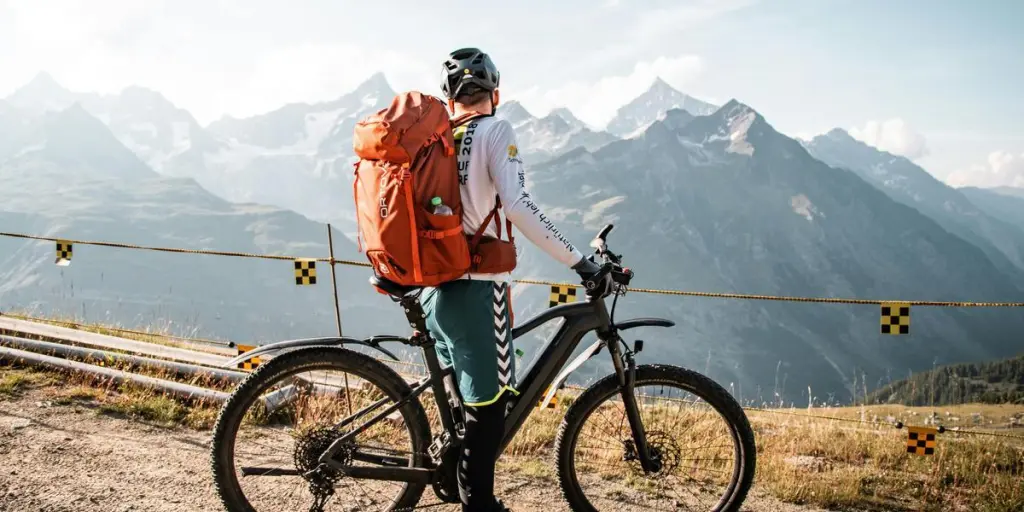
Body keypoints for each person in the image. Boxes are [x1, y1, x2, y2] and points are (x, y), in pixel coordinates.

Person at [421, 47, 610, 512]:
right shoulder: (495, 130)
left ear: (449, 98)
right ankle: (478, 504)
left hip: (434, 289)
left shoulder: (436, 138)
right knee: (489, 413)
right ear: (496, 94)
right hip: (476, 289)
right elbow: (519, 206)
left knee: (468, 411)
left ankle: (460, 481)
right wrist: (580, 262)